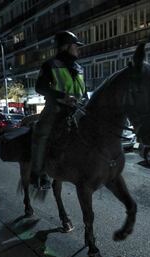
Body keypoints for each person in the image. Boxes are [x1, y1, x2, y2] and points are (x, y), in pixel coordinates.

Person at [30, 30, 87, 189]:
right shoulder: (50, 65)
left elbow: (83, 90)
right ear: (65, 47)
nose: (78, 49)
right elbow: (40, 87)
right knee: (41, 134)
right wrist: (62, 96)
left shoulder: (79, 68)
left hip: (78, 110)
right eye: (76, 46)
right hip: (56, 109)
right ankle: (38, 174)